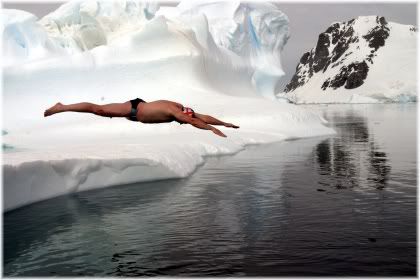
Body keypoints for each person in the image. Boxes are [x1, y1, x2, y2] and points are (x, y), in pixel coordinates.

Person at [44, 98, 239, 137]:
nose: (183, 122)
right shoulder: (176, 112)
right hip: (133, 109)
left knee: (100, 110)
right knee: (98, 109)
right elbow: (195, 121)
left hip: (137, 112)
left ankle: (64, 107)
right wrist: (211, 129)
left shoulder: (183, 109)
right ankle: (62, 107)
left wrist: (224, 123)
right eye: (183, 120)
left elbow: (201, 116)